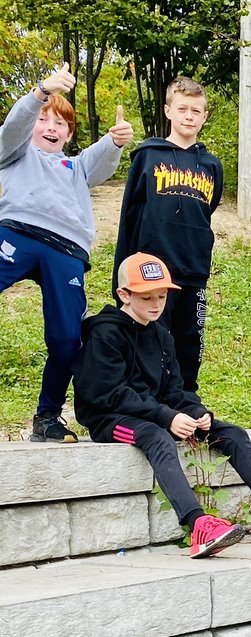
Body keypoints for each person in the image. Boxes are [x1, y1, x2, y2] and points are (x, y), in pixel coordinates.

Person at [75, 254, 251, 558]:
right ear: (124, 294)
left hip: (156, 412)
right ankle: (198, 525)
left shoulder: (161, 334)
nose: (156, 304)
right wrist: (167, 417)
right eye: (146, 297)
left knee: (231, 433)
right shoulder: (105, 332)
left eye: (162, 296)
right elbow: (107, 393)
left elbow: (175, 389)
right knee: (157, 436)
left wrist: (197, 413)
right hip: (110, 417)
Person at [0, 63, 133, 442]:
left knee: (66, 338)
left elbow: (101, 161)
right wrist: (41, 92)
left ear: (70, 134)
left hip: (66, 250)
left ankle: (47, 417)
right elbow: (12, 130)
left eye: (61, 123)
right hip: (16, 233)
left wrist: (115, 140)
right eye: (44, 119)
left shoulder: (74, 167)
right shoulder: (14, 152)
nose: (51, 127)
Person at [113, 76, 222, 391]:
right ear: (168, 111)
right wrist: (123, 273)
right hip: (152, 270)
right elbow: (131, 214)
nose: (189, 116)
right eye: (183, 108)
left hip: (193, 267)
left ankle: (186, 397)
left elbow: (207, 209)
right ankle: (150, 398)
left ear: (204, 117)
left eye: (196, 111)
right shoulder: (149, 155)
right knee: (152, 337)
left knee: (190, 338)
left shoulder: (211, 166)